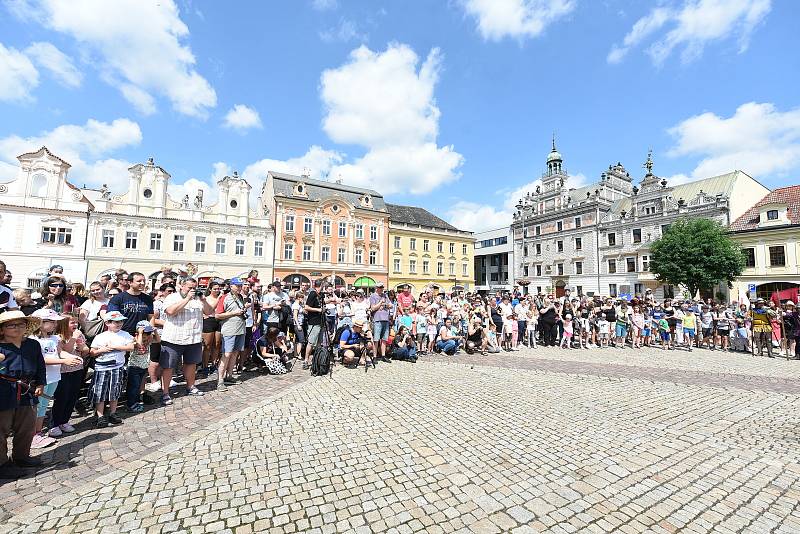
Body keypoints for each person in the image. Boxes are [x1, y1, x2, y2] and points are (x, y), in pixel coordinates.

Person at [0, 310, 46, 467]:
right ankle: (2, 464)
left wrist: (40, 384)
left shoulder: (33, 345)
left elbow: (40, 365)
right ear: (2, 329)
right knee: (1, 429)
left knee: (26, 427)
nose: (17, 328)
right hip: (3, 392)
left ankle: (21, 457)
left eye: (20, 324)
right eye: (11, 325)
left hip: (27, 390)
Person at [159, 278, 214, 404]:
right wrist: (187, 299)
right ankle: (165, 392)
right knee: (168, 366)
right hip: (174, 338)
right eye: (190, 287)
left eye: (195, 287)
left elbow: (209, 311)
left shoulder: (198, 299)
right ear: (182, 286)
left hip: (193, 338)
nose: (193, 290)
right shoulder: (172, 297)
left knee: (191, 363)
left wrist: (203, 300)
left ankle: (190, 386)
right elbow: (171, 312)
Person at [29, 308, 74, 448]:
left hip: (54, 377)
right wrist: (63, 361)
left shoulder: (55, 338)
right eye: (52, 322)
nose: (55, 324)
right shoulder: (32, 340)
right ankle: (32, 435)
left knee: (43, 406)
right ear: (40, 323)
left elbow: (59, 353)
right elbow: (40, 360)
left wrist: (72, 357)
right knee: (35, 406)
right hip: (41, 378)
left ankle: (38, 432)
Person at [89, 311, 134, 427]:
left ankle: (113, 413)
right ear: (108, 323)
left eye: (121, 321)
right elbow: (92, 352)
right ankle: (100, 415)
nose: (119, 324)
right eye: (116, 322)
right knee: (100, 391)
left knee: (115, 390)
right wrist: (101, 350)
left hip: (117, 366)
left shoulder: (125, 334)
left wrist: (114, 347)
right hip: (102, 367)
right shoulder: (100, 336)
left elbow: (131, 347)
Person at [49, 312, 89, 435]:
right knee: (62, 397)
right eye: (72, 322)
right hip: (63, 371)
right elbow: (63, 351)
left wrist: (82, 347)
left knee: (72, 396)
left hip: (77, 369)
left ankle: (64, 421)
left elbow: (86, 350)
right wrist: (73, 339)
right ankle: (54, 424)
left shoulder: (78, 334)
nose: (76, 324)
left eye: (76, 322)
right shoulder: (59, 337)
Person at [216, 277, 249, 391]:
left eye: (241, 285)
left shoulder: (240, 297)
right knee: (226, 354)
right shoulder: (224, 297)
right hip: (229, 330)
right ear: (231, 286)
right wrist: (234, 313)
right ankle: (220, 380)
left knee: (235, 353)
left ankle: (229, 376)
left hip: (240, 329)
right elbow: (218, 315)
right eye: (238, 286)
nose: (240, 287)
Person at [107, 272, 154, 337]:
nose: (142, 283)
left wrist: (150, 332)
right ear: (130, 283)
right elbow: (112, 317)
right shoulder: (118, 298)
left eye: (144, 281)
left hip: (141, 335)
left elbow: (150, 317)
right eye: (139, 281)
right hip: (121, 335)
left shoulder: (148, 299)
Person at [126, 321, 158, 412]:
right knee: (134, 386)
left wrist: (154, 332)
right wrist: (140, 333)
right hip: (134, 367)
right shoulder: (134, 340)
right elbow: (139, 347)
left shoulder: (148, 339)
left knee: (138, 386)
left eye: (149, 333)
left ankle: (135, 401)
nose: (148, 335)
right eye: (146, 334)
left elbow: (159, 340)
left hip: (143, 367)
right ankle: (131, 404)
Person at [200, 281, 223, 376]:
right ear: (210, 289)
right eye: (215, 289)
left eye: (218, 289)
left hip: (218, 320)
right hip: (208, 321)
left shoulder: (221, 298)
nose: (217, 290)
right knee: (207, 345)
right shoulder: (207, 299)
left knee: (217, 344)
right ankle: (205, 365)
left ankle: (214, 364)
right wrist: (218, 298)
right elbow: (208, 310)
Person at [303, 279, 324, 370]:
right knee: (311, 342)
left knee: (319, 343)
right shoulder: (312, 294)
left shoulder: (321, 295)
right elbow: (306, 307)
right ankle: (306, 360)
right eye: (323, 286)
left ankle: (317, 360)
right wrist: (318, 310)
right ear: (319, 286)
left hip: (321, 321)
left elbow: (321, 304)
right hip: (314, 322)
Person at [369, 282, 392, 362]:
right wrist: (380, 303)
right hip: (377, 319)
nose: (381, 289)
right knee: (376, 339)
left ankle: (383, 355)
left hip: (386, 319)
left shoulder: (385, 295)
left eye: (382, 287)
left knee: (384, 339)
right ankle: (375, 356)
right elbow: (373, 308)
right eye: (380, 287)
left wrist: (384, 305)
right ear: (376, 288)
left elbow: (390, 305)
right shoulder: (372, 296)